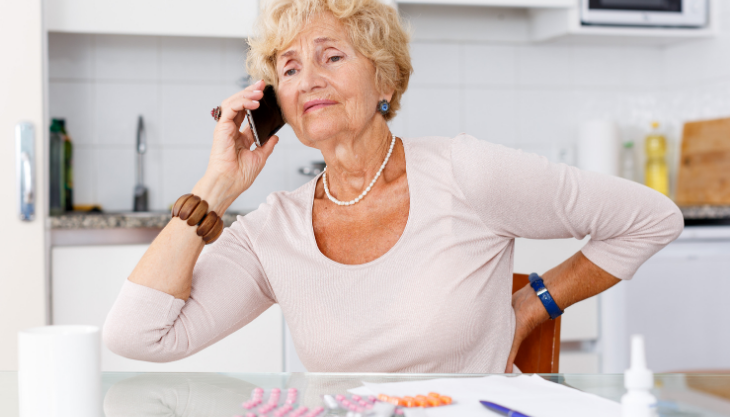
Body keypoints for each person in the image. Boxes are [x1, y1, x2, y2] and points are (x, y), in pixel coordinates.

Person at [103, 0, 683, 373]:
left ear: (384, 76)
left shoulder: (466, 173)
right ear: (275, 102)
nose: (310, 81)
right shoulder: (272, 230)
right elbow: (138, 336)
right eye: (290, 68)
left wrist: (536, 303)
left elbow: (652, 218)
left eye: (332, 55)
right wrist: (218, 185)